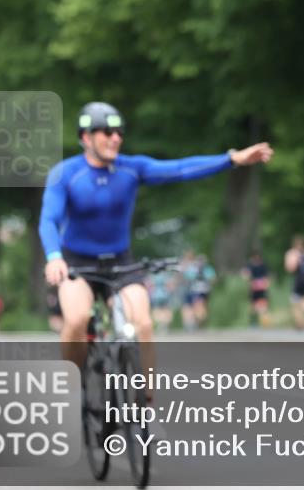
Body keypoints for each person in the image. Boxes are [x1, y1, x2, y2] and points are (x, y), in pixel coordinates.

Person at [39, 101, 273, 395]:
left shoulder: (131, 169)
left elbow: (180, 169)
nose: (116, 138)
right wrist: (53, 256)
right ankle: (74, 387)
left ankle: (144, 403)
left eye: (120, 132)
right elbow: (49, 219)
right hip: (77, 263)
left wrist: (232, 159)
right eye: (107, 132)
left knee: (144, 324)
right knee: (76, 320)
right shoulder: (66, 174)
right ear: (86, 137)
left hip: (120, 262)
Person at [243, 251, 272, 327]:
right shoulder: (250, 266)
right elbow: (246, 275)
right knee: (254, 306)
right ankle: (254, 322)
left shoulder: (262, 265)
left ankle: (264, 322)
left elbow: (267, 276)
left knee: (263, 306)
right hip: (254, 287)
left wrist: (266, 283)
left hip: (261, 287)